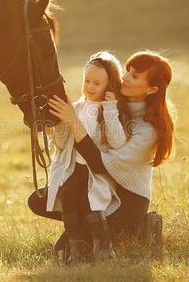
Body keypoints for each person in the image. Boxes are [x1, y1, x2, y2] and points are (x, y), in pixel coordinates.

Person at [29, 50, 175, 264]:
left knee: (76, 243)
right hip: (95, 185)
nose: (125, 77)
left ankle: (136, 227)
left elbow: (101, 165)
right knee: (40, 201)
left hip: (127, 199)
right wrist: (57, 123)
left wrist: (74, 123)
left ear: (152, 89)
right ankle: (81, 231)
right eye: (127, 70)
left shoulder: (147, 130)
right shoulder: (112, 104)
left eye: (135, 76)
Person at [43, 51, 131, 263]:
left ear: (109, 86)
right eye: (87, 81)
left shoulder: (109, 110)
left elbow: (118, 142)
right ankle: (77, 247)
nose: (90, 87)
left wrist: (110, 110)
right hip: (74, 167)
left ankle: (103, 246)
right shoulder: (77, 108)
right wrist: (53, 131)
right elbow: (65, 143)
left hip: (94, 171)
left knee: (87, 203)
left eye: (97, 83)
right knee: (69, 198)